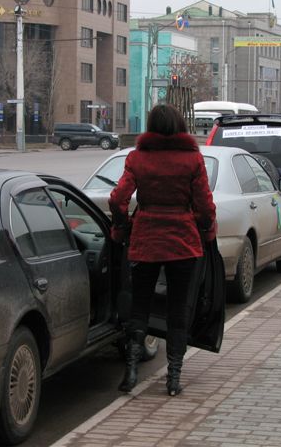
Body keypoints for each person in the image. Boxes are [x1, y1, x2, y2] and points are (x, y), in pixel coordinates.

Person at [109, 104, 217, 397]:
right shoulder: (193, 160)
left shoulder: (137, 158)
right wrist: (206, 230)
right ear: (180, 125)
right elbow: (205, 206)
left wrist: (121, 227)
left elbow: (118, 198)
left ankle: (131, 372)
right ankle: (173, 378)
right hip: (183, 241)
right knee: (178, 311)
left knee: (139, 306)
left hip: (146, 241)